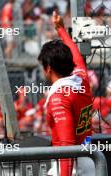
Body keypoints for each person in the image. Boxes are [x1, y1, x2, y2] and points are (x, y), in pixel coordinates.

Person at [38, 11, 93, 176]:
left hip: (71, 168)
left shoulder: (59, 98)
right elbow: (77, 57)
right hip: (89, 161)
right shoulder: (81, 79)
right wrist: (61, 29)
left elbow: (67, 145)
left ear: (48, 69)